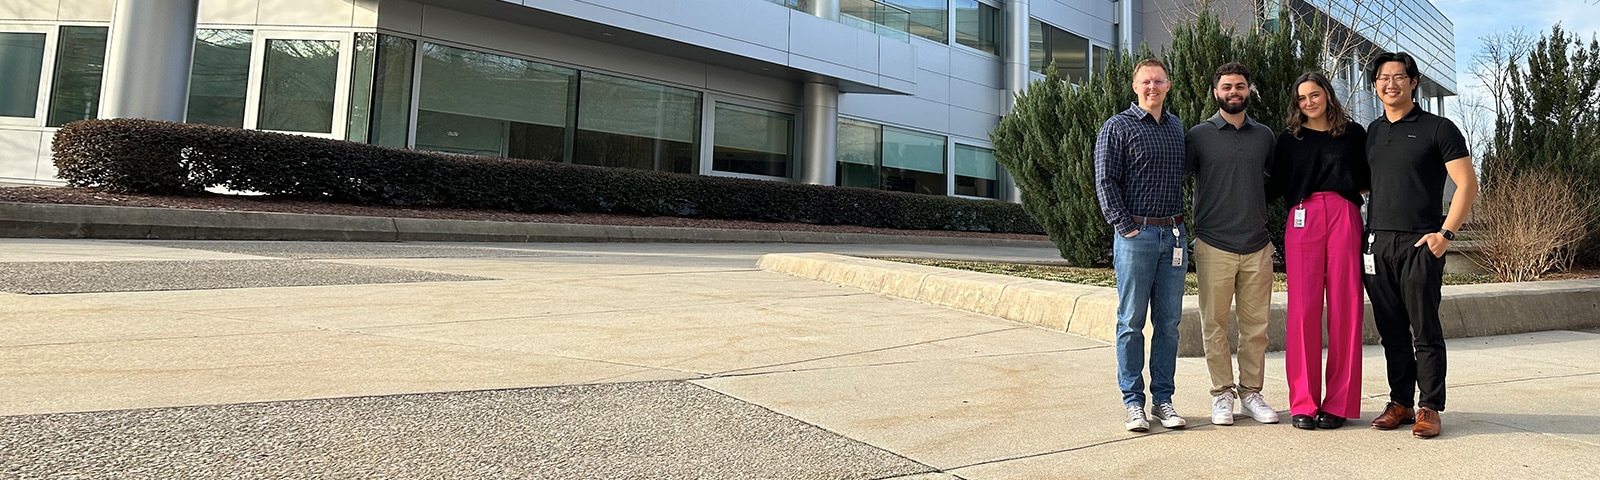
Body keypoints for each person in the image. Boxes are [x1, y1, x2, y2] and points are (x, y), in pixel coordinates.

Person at [1363, 51, 1477, 439]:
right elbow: (1373, 182)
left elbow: (1467, 184)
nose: (1390, 83)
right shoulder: (1373, 131)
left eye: (1398, 77)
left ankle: (1429, 405)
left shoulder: (1438, 128)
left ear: (1413, 82)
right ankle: (1400, 401)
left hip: (1421, 242)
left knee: (1424, 327)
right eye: (1382, 77)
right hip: (1377, 242)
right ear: (1375, 84)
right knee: (1390, 329)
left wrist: (1445, 235)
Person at [1268, 71, 1370, 430]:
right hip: (1302, 217)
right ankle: (1304, 402)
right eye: (1302, 98)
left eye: (1315, 95)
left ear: (1327, 94)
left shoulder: (1354, 134)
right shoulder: (1289, 139)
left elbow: (1370, 179)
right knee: (1302, 310)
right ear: (1296, 104)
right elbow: (1275, 185)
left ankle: (1339, 402)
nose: (1309, 102)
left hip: (1344, 213)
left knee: (1346, 307)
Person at [1186, 62, 1282, 427]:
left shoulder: (1265, 136)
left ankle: (1251, 393)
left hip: (1257, 243)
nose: (1234, 92)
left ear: (1248, 90)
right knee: (1214, 324)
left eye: (1240, 86)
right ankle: (1222, 393)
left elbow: (1274, 183)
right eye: (1227, 86)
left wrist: (1253, 205)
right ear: (1216, 92)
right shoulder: (1199, 135)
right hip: (1213, 243)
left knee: (1256, 326)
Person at [1095, 58, 1188, 433]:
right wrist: (1125, 227)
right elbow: (1105, 180)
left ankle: (1163, 400)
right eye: (1146, 82)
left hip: (1175, 236)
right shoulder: (1117, 126)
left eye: (1159, 81)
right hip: (1137, 236)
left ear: (1168, 86)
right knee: (1131, 322)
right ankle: (1134, 402)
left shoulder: (1177, 127)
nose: (1153, 87)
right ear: (1136, 86)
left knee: (1169, 323)